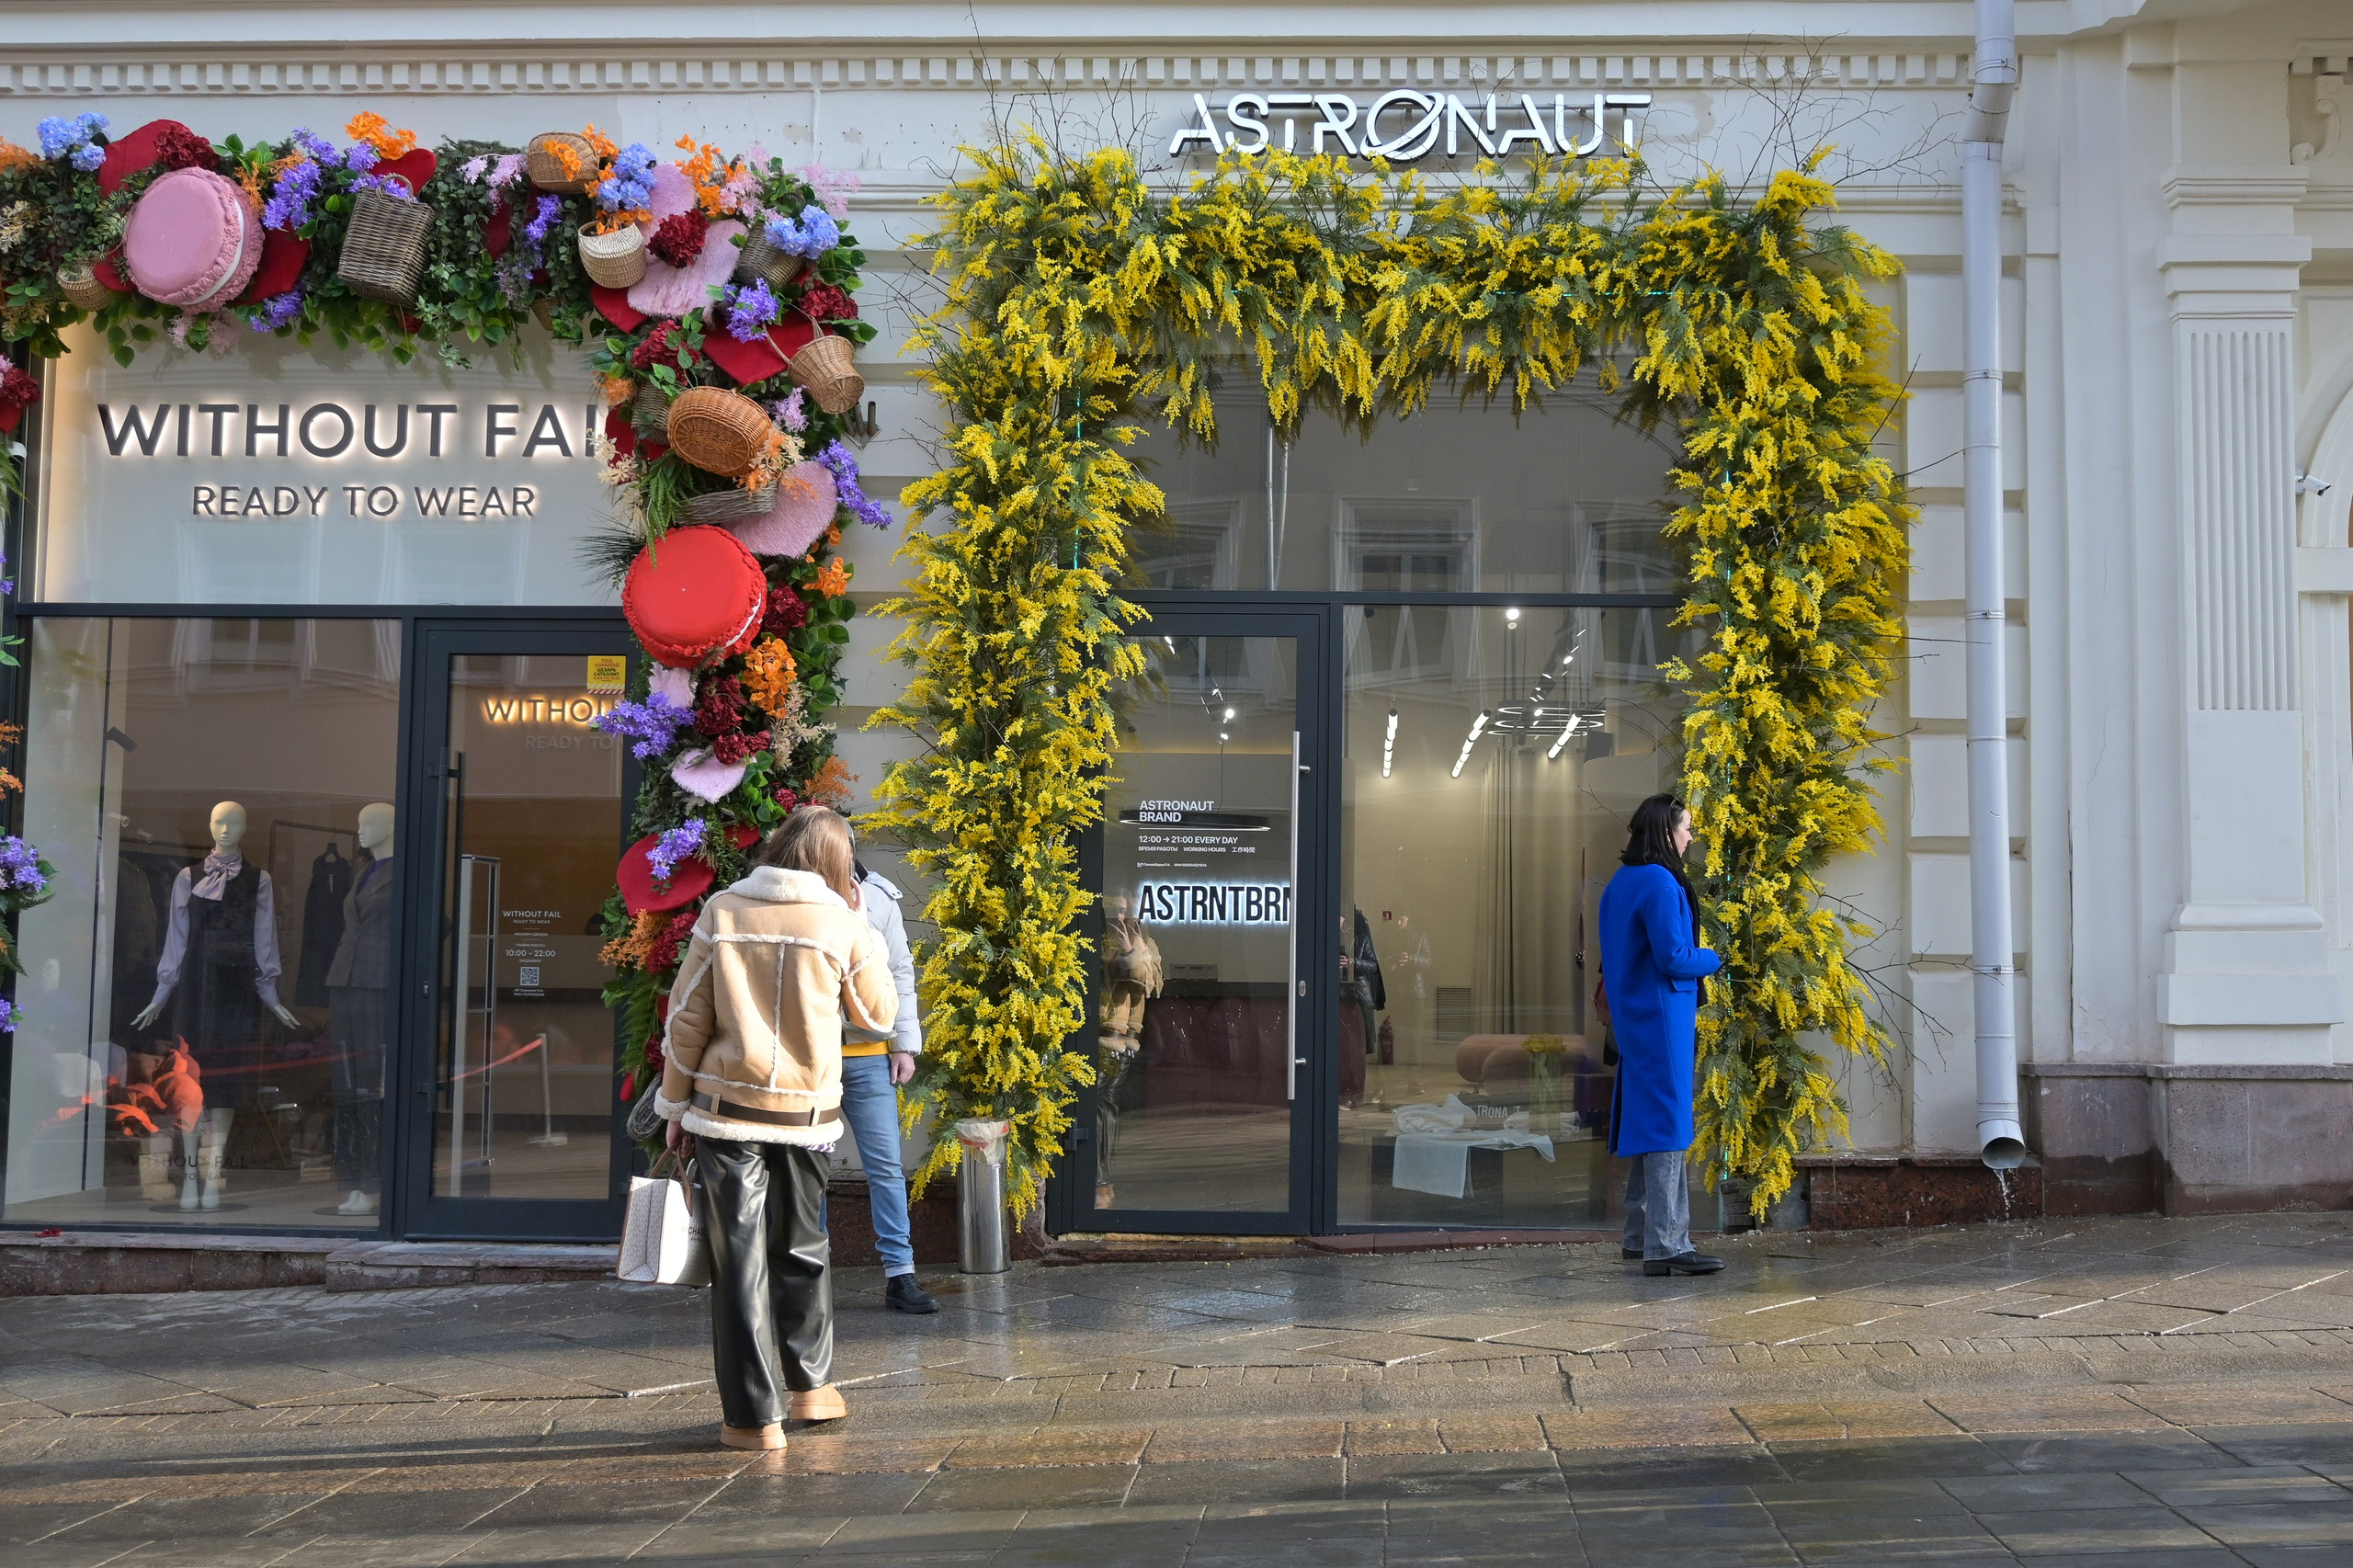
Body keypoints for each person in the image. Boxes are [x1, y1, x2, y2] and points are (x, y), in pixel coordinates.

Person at [655, 805, 898, 1451]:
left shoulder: (724, 911)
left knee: (739, 1265)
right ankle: (813, 1388)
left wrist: (674, 1109)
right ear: (836, 865)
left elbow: (686, 1020)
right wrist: (858, 921)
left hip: (726, 1110)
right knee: (803, 1247)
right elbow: (878, 1015)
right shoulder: (843, 922)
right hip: (806, 1112)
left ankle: (753, 1419)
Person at [1597, 793, 1725, 1277]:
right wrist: (1715, 957)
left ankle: (1640, 1237)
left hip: (1635, 1016)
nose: (1690, 837)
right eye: (1686, 828)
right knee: (1669, 1129)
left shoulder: (1622, 881)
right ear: (1665, 832)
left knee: (1646, 1126)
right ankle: (1668, 1243)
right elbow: (1674, 957)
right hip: (1663, 1017)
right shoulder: (1658, 880)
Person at [843, 847, 938, 1313]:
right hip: (808, 1058)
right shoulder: (793, 894)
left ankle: (900, 1276)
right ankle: (807, 1274)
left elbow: (901, 971)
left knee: (886, 1167)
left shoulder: (879, 896)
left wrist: (904, 1043)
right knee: (805, 1169)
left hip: (869, 1056)